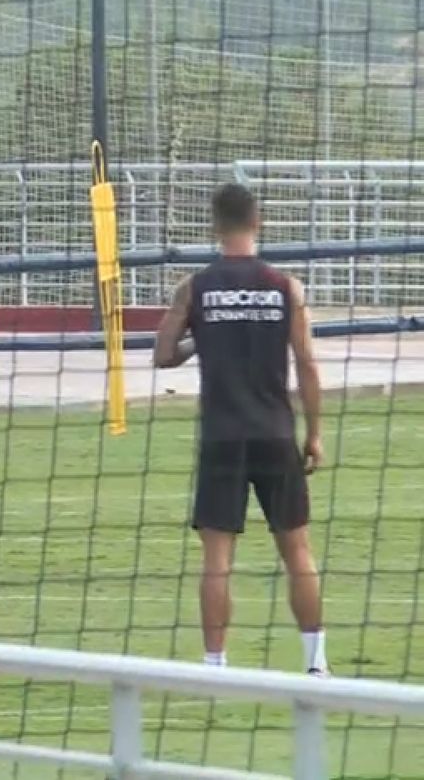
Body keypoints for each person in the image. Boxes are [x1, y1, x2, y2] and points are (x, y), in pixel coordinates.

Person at [153, 183, 327, 676]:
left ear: (214, 225)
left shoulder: (195, 287)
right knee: (297, 550)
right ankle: (317, 665)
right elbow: (307, 364)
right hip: (275, 433)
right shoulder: (285, 286)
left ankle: (215, 665)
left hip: (222, 437)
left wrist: (203, 339)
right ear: (258, 221)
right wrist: (314, 434)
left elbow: (163, 354)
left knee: (217, 558)